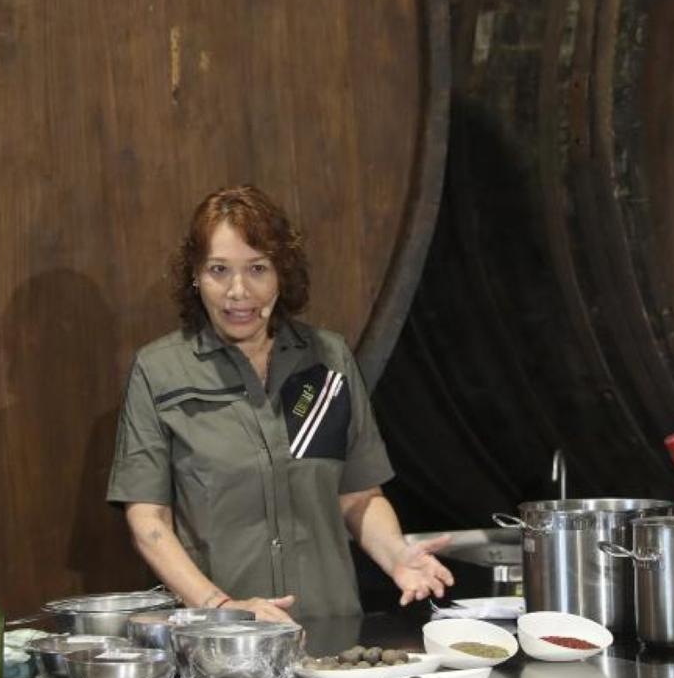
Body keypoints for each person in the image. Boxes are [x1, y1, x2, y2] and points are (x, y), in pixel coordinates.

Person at [107, 185, 453, 622]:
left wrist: (396, 557)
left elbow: (359, 495)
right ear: (195, 275)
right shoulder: (159, 371)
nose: (238, 291)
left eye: (257, 269)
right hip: (218, 645)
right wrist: (223, 609)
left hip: (331, 632)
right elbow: (149, 522)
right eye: (218, 269)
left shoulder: (329, 360)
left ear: (281, 273)